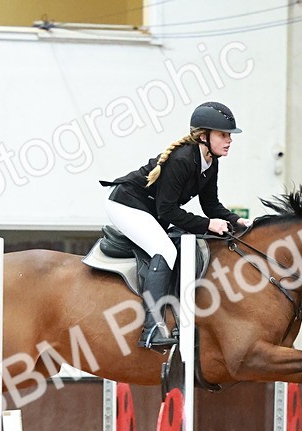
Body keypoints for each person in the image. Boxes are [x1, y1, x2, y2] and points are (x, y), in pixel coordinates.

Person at [100, 101, 248, 349]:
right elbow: (167, 210)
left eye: (229, 136)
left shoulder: (210, 162)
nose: (229, 140)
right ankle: (151, 329)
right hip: (126, 204)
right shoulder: (182, 160)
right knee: (166, 250)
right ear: (203, 136)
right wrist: (208, 225)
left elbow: (210, 205)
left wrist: (236, 220)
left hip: (149, 209)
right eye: (223, 135)